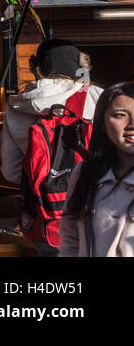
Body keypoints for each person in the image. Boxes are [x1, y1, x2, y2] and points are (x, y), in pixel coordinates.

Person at [1, 39, 102, 184]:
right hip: (89, 196)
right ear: (82, 67)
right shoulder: (99, 97)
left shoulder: (16, 105)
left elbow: (11, 172)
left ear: (35, 68)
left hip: (44, 201)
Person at [60, 81, 134, 257]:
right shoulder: (85, 173)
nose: (131, 125)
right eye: (121, 115)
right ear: (102, 122)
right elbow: (71, 239)